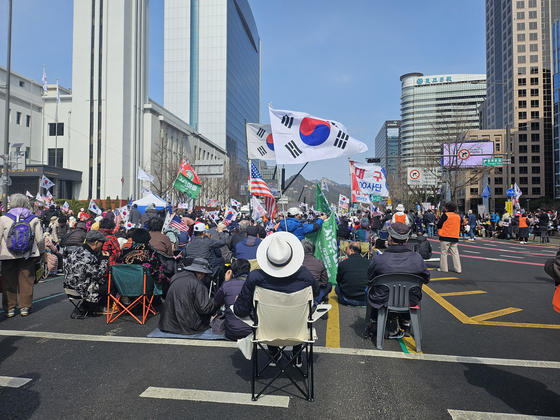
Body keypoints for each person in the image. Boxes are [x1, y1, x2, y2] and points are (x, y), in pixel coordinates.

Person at [233, 232, 319, 367]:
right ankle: (296, 354)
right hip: (298, 333)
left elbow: (241, 311)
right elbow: (316, 292)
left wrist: (240, 301)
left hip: (266, 333)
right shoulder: (304, 274)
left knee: (263, 314)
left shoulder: (255, 276)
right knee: (304, 311)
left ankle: (272, 354)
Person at [367, 222, 430, 337]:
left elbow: (370, 278)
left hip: (383, 299)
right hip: (411, 299)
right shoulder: (417, 258)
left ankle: (374, 321)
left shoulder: (379, 259)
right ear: (406, 239)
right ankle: (406, 323)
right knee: (409, 293)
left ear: (389, 237)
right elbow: (426, 278)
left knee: (371, 290)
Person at [0, 194, 46, 317]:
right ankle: (25, 307)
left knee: (8, 281)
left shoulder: (4, 218)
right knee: (26, 280)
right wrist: (41, 252)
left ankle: (9, 308)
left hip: (7, 255)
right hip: (28, 254)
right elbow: (40, 239)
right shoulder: (33, 218)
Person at [158, 258, 219, 335]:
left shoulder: (175, 277)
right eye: (204, 273)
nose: (204, 276)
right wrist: (216, 302)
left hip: (167, 323)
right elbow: (204, 308)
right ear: (199, 272)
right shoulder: (198, 284)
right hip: (187, 325)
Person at [63, 230, 110, 309]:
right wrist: (105, 259)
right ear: (96, 242)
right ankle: (96, 306)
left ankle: (87, 305)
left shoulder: (74, 251)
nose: (102, 246)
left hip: (69, 288)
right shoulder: (88, 256)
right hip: (83, 291)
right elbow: (99, 274)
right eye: (102, 243)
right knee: (110, 284)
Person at [212, 258, 253, 340]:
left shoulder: (226, 285)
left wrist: (225, 281)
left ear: (232, 271)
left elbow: (217, 301)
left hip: (232, 332)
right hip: (253, 331)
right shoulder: (255, 283)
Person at [335, 241, 370, 306]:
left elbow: (338, 280)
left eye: (346, 248)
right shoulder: (369, 263)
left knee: (337, 288)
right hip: (366, 299)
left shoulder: (343, 264)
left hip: (348, 299)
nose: (346, 250)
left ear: (351, 250)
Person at [301, 239, 332, 304]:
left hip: (299, 292)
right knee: (329, 285)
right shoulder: (319, 262)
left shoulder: (296, 263)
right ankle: (317, 300)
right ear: (313, 250)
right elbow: (324, 282)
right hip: (313, 291)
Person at [437, 202, 462, 274]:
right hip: (455, 236)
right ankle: (458, 269)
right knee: (455, 253)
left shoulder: (445, 215)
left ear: (446, 208)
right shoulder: (458, 216)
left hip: (445, 236)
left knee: (444, 253)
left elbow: (439, 225)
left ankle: (444, 268)